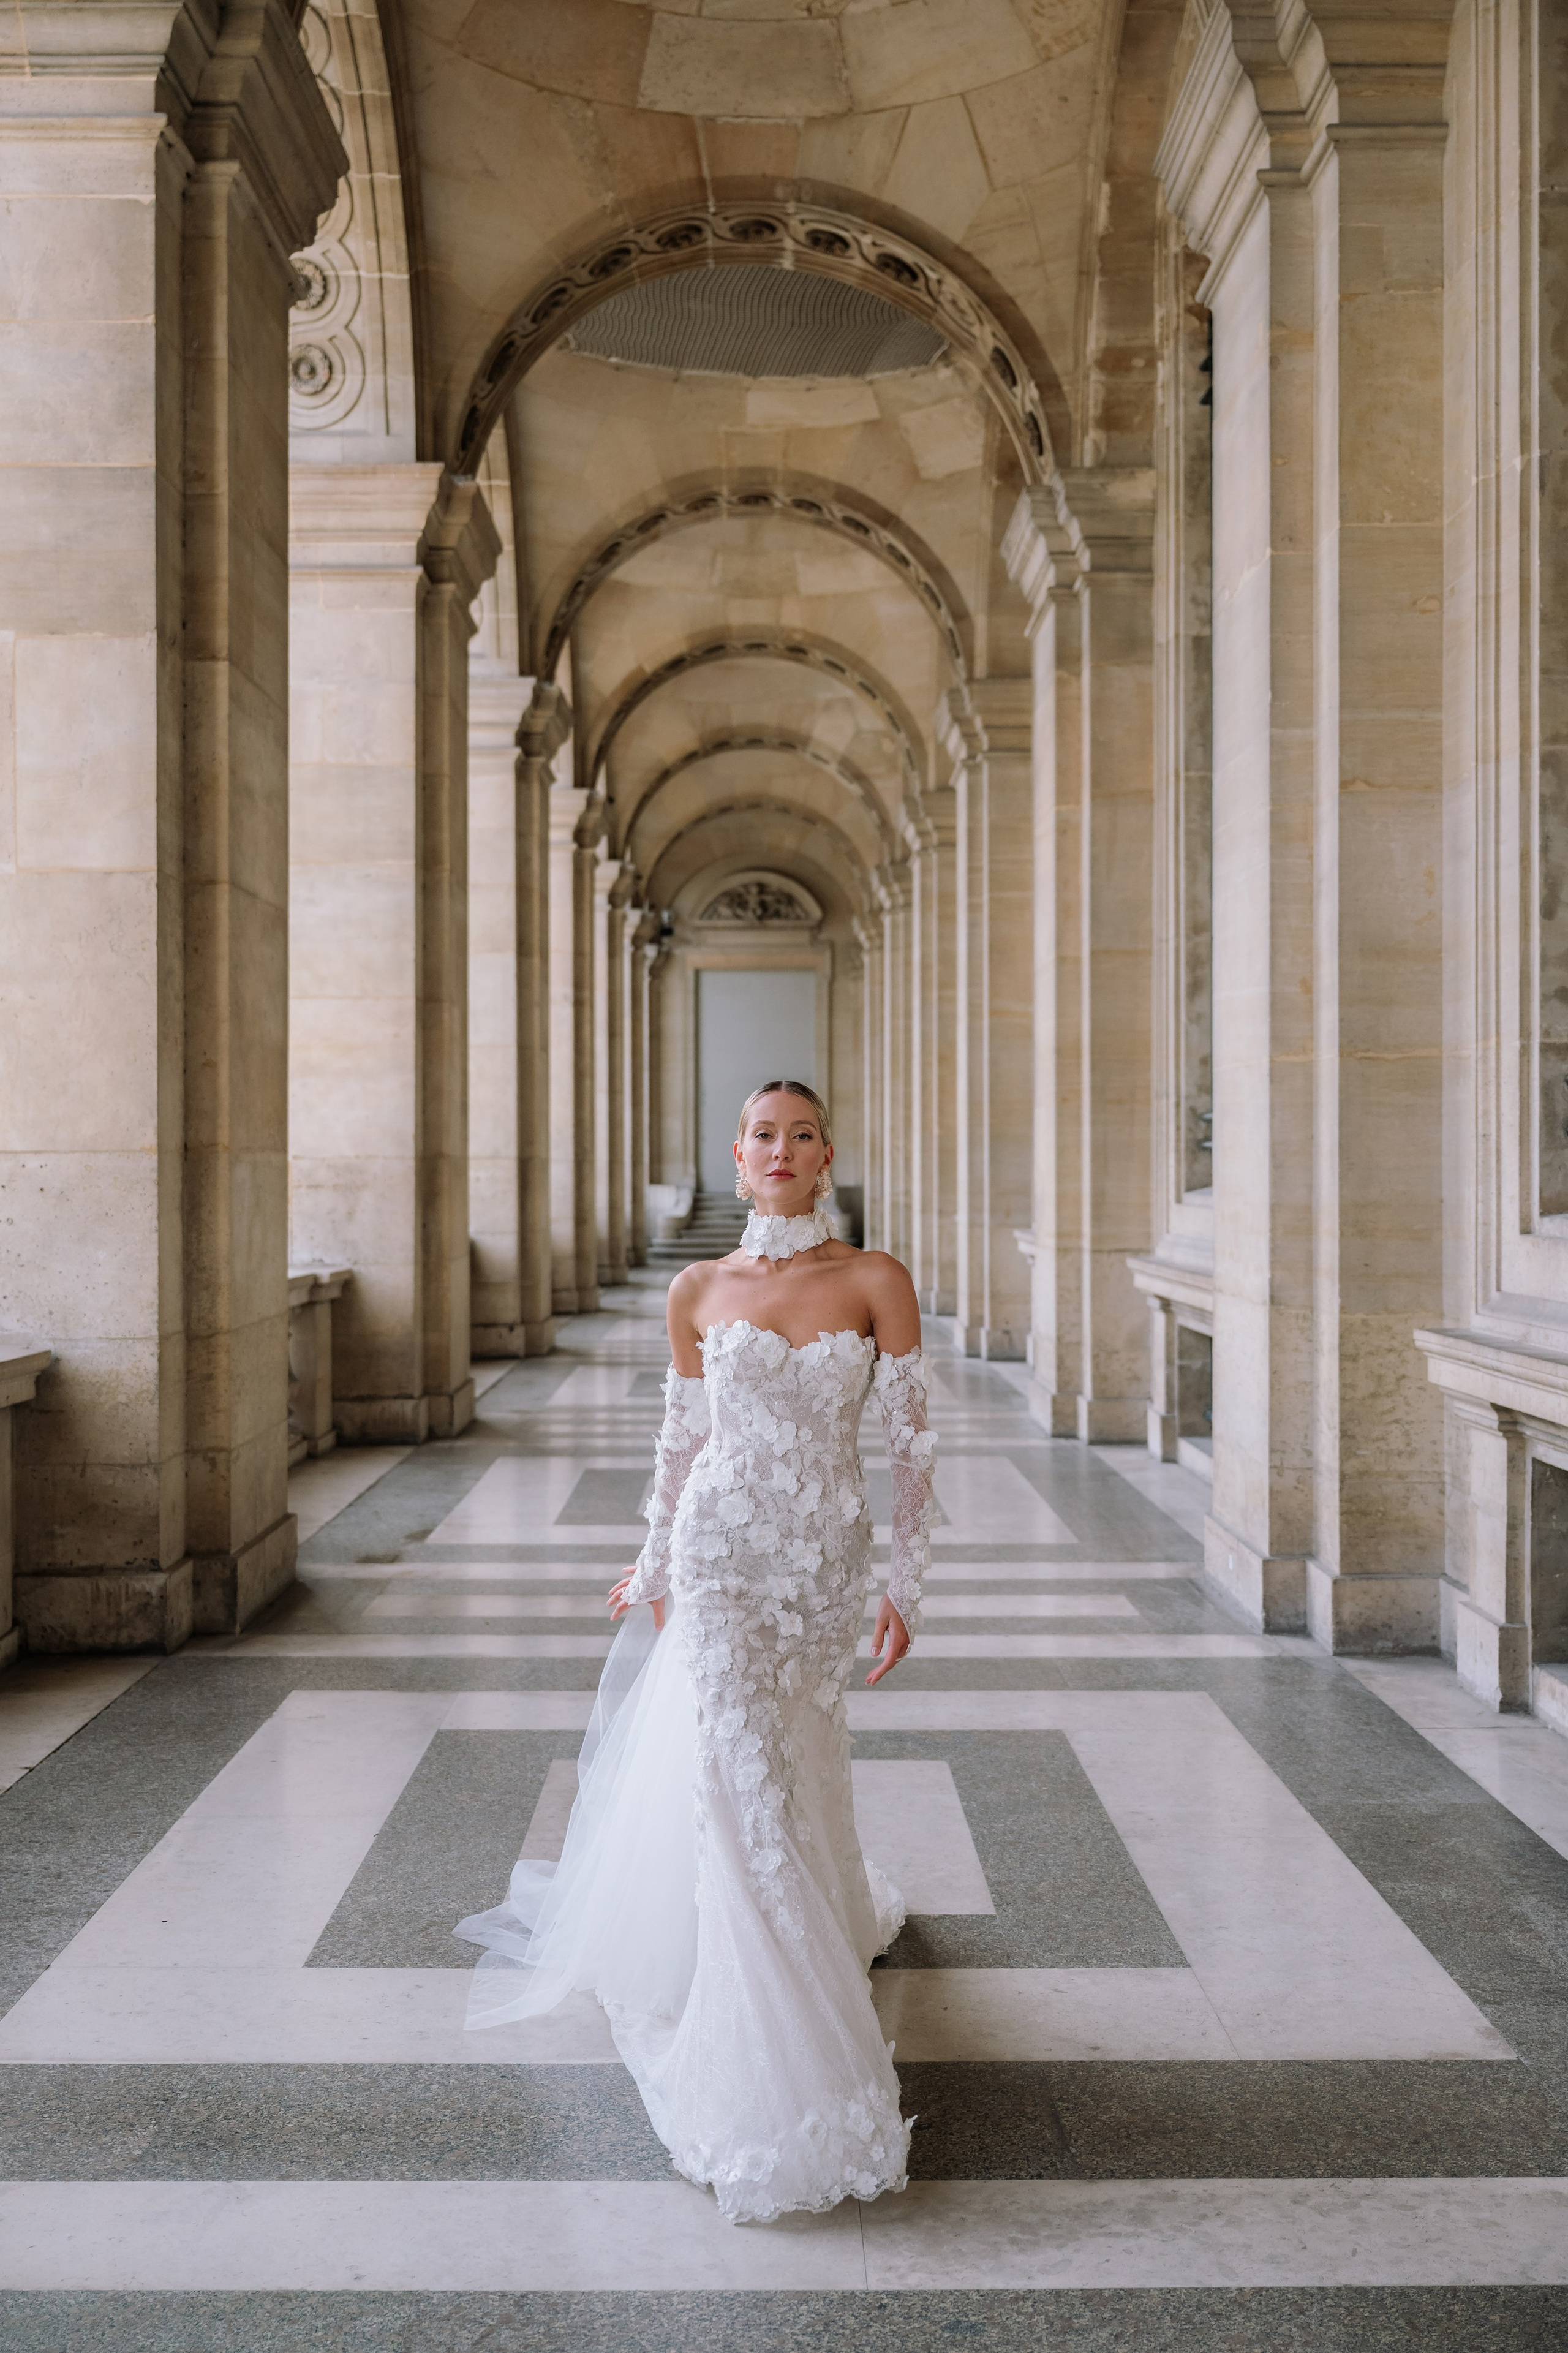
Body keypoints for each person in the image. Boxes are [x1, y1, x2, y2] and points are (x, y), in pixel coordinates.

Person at [455, 1080, 938, 2224]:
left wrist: (903, 1586)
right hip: (721, 1557)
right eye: (763, 1133)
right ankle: (775, 2064)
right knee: (737, 1786)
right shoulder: (696, 1288)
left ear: (828, 1157)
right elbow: (682, 1441)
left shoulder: (878, 1280)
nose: (782, 1149)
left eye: (803, 1133)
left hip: (819, 1567)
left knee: (802, 1764)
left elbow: (912, 1442)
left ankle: (823, 1922)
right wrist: (653, 1558)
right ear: (738, 1158)